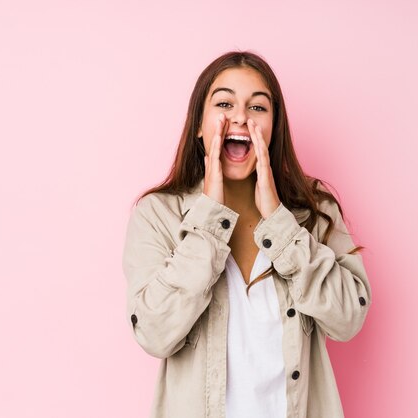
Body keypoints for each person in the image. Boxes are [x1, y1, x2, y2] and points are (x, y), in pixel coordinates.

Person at [122, 50, 372, 418]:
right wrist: (208, 219)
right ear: (199, 124)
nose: (240, 116)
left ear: (274, 127)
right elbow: (155, 333)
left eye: (258, 107)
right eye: (224, 102)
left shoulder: (314, 213)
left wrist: (279, 222)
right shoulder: (158, 214)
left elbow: (348, 319)